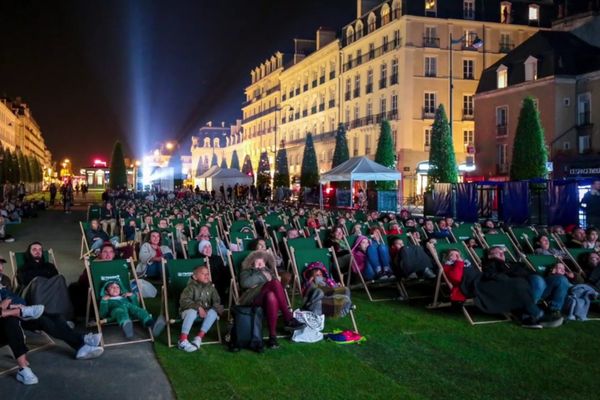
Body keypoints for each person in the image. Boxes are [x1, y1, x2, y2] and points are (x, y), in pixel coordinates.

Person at [1, 283, 103, 385]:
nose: (1, 269)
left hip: (13, 314)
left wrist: (10, 303)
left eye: (1, 266)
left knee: (47, 318)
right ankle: (23, 369)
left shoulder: (3, 281)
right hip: (7, 323)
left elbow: (18, 300)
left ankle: (80, 345)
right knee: (11, 321)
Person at [475, 246, 563, 329]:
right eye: (498, 253)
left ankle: (554, 312)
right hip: (520, 289)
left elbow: (531, 272)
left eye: (502, 252)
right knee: (535, 281)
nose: (502, 254)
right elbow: (491, 275)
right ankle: (529, 315)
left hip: (533, 285)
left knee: (560, 280)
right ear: (490, 256)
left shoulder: (514, 263)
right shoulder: (492, 264)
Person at [239, 250, 304, 349]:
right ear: (252, 263)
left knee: (271, 296)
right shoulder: (247, 271)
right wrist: (262, 275)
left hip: (266, 299)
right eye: (258, 262)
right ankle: (288, 318)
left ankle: (272, 338)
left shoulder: (269, 272)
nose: (261, 265)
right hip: (252, 299)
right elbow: (245, 284)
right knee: (274, 283)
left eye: (263, 262)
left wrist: (264, 276)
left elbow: (276, 288)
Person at [177, 265, 224, 352]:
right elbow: (184, 301)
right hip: (188, 312)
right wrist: (198, 307)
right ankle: (182, 340)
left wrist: (211, 308)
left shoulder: (211, 288)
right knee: (192, 312)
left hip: (205, 312)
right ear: (195, 277)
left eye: (207, 274)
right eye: (203, 274)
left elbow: (217, 301)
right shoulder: (190, 288)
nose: (206, 276)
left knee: (214, 312)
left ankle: (198, 338)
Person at [99, 280, 165, 339]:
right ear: (106, 291)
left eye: (117, 287)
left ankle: (152, 325)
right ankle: (127, 327)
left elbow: (136, 305)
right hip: (116, 311)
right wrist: (104, 302)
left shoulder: (124, 297)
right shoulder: (106, 300)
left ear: (121, 289)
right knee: (119, 312)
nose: (115, 289)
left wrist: (132, 297)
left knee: (139, 310)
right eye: (111, 287)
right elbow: (103, 314)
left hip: (131, 309)